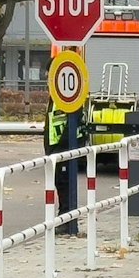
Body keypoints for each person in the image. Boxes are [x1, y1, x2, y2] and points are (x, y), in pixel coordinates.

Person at [45, 101, 87, 236]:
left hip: (64, 146)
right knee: (60, 183)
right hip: (57, 146)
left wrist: (60, 147)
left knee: (65, 184)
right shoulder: (57, 95)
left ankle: (67, 221)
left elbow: (72, 122)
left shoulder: (67, 95)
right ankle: (65, 219)